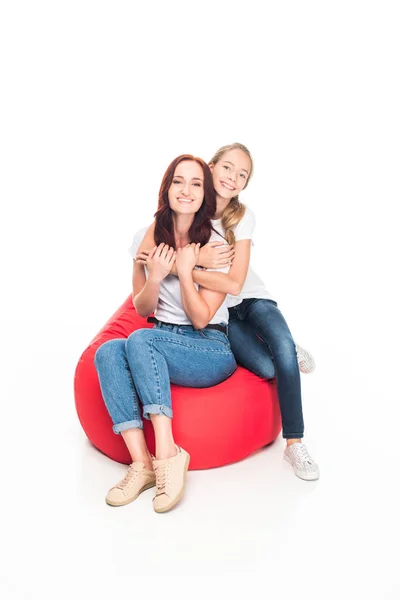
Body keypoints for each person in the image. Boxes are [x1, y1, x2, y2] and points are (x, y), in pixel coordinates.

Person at [137, 143, 319, 481]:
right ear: (210, 168)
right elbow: (147, 252)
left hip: (250, 298)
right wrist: (191, 264)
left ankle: (294, 442)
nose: (232, 178)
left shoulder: (241, 217)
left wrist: (181, 266)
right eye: (226, 168)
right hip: (222, 313)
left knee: (283, 352)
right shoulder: (191, 207)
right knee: (267, 366)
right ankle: (283, 353)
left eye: (242, 174)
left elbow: (234, 284)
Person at [94, 155, 236, 513]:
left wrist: (187, 270)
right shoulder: (146, 238)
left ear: (205, 193)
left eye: (195, 183)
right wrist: (155, 276)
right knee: (107, 352)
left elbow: (202, 319)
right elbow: (143, 309)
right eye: (178, 181)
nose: (185, 190)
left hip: (209, 347)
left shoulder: (217, 243)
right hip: (162, 339)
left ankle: (169, 454)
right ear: (167, 187)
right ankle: (142, 464)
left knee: (141, 339)